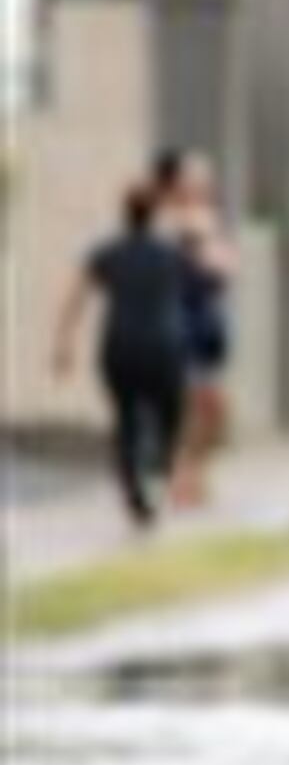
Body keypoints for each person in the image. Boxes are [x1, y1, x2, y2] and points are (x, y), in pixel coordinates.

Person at [47, 182, 198, 529]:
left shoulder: (107, 251)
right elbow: (199, 254)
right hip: (164, 348)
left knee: (126, 420)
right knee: (171, 415)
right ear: (155, 213)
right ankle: (159, 468)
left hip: (120, 347)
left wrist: (63, 345)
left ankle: (135, 494)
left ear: (124, 212)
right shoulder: (171, 251)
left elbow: (75, 297)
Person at [150, 145, 236, 509]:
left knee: (215, 413)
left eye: (206, 178)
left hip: (209, 326)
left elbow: (226, 269)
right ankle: (182, 478)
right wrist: (201, 242)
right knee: (195, 406)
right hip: (175, 325)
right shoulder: (166, 220)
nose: (203, 184)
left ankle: (190, 473)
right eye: (194, 177)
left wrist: (206, 243)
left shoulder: (210, 220)